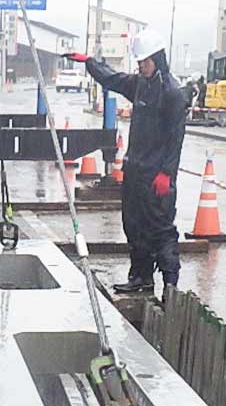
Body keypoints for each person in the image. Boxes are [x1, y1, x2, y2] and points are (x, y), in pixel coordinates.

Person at [63, 30, 187, 295]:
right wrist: (89, 62)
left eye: (144, 62)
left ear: (158, 59)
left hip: (157, 175)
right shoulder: (140, 84)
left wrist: (167, 173)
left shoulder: (173, 94)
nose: (141, 66)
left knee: (161, 229)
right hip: (135, 170)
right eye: (139, 63)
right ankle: (141, 277)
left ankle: (170, 284)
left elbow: (176, 139)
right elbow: (112, 78)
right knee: (134, 225)